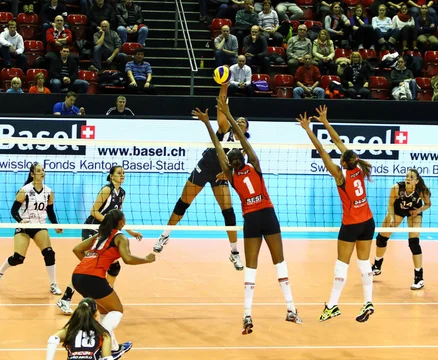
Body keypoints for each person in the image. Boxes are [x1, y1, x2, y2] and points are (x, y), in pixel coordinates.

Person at [196, 93, 302, 335]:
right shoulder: (254, 163)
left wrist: (206, 123)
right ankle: (291, 309)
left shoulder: (231, 175)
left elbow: (217, 146)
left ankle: (246, 315)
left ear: (230, 164)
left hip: (251, 221)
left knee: (251, 269)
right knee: (280, 263)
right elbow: (242, 139)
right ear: (242, 157)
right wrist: (231, 116)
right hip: (268, 216)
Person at [153, 83, 246, 273]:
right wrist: (224, 86)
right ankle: (164, 235)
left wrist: (227, 176)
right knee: (183, 204)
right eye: (240, 119)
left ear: (246, 129)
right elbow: (221, 106)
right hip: (205, 167)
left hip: (220, 175)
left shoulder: (243, 148)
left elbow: (237, 171)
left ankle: (234, 252)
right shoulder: (225, 129)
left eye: (245, 122)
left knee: (229, 213)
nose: (241, 121)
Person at [297, 105, 375, 323]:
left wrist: (308, 129)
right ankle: (368, 301)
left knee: (342, 264)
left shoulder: (340, 176)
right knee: (363, 263)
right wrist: (325, 121)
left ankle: (332, 305)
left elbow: (322, 150)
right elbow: (338, 142)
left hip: (351, 224)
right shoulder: (358, 168)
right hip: (368, 222)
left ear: (343, 161)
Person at [57, 165, 142, 315]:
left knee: (114, 267)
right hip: (93, 227)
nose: (122, 175)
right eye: (119, 173)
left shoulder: (122, 193)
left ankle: (104, 294)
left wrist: (131, 231)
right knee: (87, 264)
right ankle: (65, 299)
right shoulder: (106, 190)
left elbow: (118, 217)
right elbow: (94, 211)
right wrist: (108, 225)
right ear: (111, 176)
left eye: (123, 173)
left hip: (105, 229)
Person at [70, 209, 154, 356]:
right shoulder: (120, 237)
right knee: (117, 310)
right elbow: (127, 259)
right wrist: (147, 260)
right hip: (93, 278)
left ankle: (113, 348)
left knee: (104, 310)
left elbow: (77, 249)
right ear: (121, 222)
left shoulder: (100, 235)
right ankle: (100, 340)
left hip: (77, 276)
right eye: (125, 219)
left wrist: (89, 265)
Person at [0, 163, 63, 295]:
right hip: (24, 226)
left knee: (49, 253)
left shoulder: (49, 192)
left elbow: (50, 212)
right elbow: (13, 210)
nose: (42, 173)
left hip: (39, 226)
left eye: (43, 170)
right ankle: (0, 271)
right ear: (32, 174)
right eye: (39, 171)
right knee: (18, 258)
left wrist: (56, 224)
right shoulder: (25, 190)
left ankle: (53, 284)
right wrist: (21, 221)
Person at [372, 169, 431, 290]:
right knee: (381, 238)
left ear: (416, 181)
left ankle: (419, 278)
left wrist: (418, 211)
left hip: (414, 211)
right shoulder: (397, 188)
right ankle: (377, 265)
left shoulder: (422, 191)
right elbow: (390, 204)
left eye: (411, 177)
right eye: (407, 176)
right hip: (397, 210)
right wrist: (392, 217)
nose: (408, 178)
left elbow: (428, 204)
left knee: (414, 243)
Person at [46, 298, 112, 360]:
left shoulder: (70, 330)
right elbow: (107, 358)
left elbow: (53, 339)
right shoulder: (103, 334)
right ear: (95, 314)